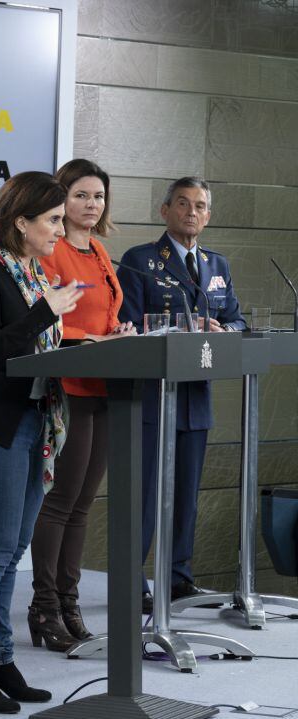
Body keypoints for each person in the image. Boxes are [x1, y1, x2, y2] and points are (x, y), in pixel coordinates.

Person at [0, 171, 82, 713]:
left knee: (12, 554)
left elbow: (39, 345)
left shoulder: (33, 271)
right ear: (20, 221)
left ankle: (1, 660)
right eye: (52, 219)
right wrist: (46, 311)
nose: (60, 228)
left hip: (36, 420)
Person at [116, 177, 245, 615]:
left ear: (208, 216)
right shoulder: (141, 261)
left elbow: (238, 321)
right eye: (184, 204)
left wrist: (222, 330)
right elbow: (128, 326)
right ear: (165, 210)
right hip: (152, 397)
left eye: (201, 206)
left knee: (186, 494)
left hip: (194, 398)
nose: (192, 212)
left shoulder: (217, 265)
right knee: (144, 495)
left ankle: (177, 577)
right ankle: (130, 580)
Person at [29, 159, 134, 650]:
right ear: (59, 200)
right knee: (60, 501)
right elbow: (45, 320)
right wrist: (85, 339)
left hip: (106, 383)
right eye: (81, 196)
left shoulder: (101, 252)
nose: (92, 206)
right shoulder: (52, 252)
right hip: (68, 386)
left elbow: (107, 315)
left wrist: (120, 334)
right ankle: (44, 607)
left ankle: (69, 603)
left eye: (99, 197)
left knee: (84, 504)